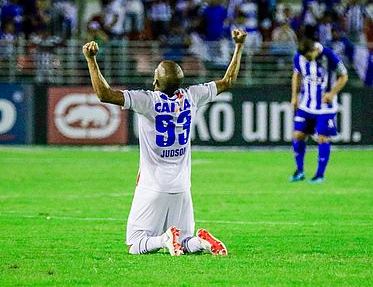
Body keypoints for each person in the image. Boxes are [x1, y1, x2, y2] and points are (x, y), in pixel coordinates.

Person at [81, 29, 248, 256]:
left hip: (152, 186)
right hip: (182, 187)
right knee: (186, 240)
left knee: (135, 244)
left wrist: (91, 60)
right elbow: (227, 81)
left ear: (155, 81)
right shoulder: (191, 96)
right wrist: (238, 46)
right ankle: (203, 242)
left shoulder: (146, 101)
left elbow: (104, 94)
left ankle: (164, 239)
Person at [290, 38, 348, 184]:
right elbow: (297, 75)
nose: (307, 59)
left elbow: (343, 76)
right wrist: (294, 97)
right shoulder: (300, 57)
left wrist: (332, 93)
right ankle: (299, 171)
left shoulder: (329, 56)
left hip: (325, 108)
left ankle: (320, 174)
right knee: (298, 135)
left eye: (309, 56)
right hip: (306, 105)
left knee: (322, 138)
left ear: (315, 50)